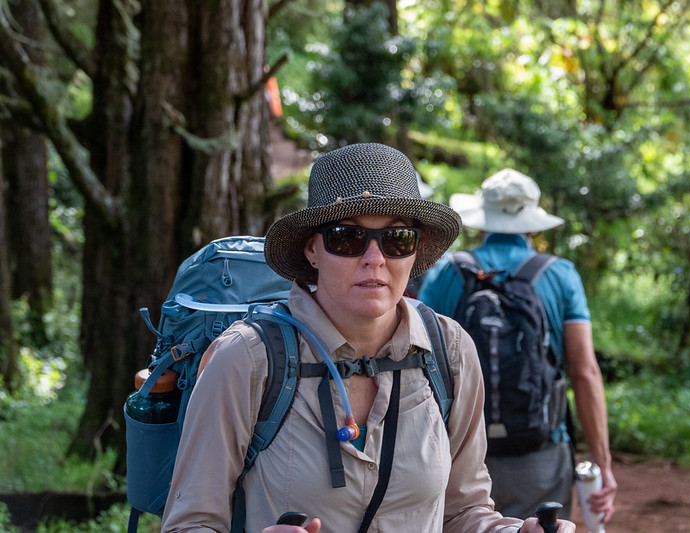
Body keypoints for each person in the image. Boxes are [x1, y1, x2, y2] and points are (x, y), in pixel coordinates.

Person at [161, 144, 576, 533]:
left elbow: (464, 511)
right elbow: (189, 521)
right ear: (312, 250)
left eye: (397, 238)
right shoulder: (248, 358)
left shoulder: (449, 351)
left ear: (415, 253)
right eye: (348, 237)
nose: (374, 258)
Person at [418, 168, 617, 525]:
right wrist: (603, 463)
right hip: (539, 455)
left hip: (456, 454)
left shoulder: (445, 272)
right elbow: (584, 372)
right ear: (533, 225)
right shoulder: (560, 275)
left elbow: (418, 365)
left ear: (481, 221)